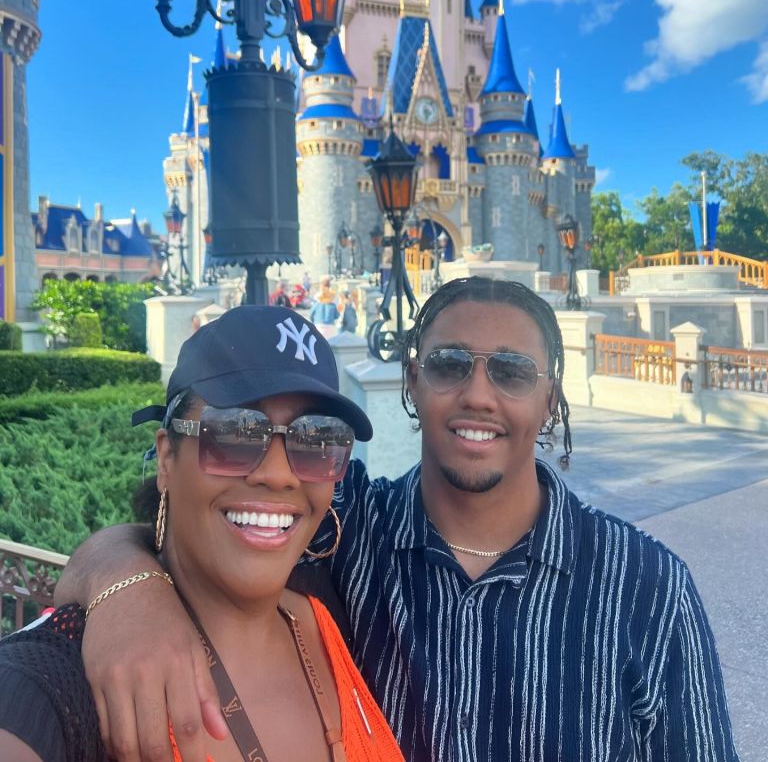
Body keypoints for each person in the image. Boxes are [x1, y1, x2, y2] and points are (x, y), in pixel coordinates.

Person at [50, 278, 739, 762]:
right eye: (447, 366)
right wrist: (125, 585)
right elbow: (196, 523)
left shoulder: (648, 587)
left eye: (511, 372)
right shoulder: (349, 528)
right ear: (412, 383)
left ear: (549, 399)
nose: (477, 395)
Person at [0, 305, 404, 762]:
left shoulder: (328, 602)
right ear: (167, 459)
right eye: (233, 432)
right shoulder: (69, 678)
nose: (278, 474)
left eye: (316, 438)